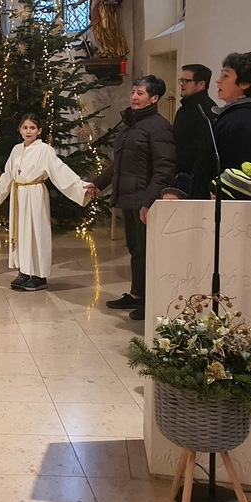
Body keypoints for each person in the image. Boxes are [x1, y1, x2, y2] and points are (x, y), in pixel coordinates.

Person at [91, 75, 176, 321]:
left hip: (144, 201)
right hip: (129, 198)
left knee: (148, 252)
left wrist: (149, 202)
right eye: (133, 92)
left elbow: (164, 168)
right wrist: (98, 183)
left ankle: (152, 301)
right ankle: (137, 294)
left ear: (154, 98)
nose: (134, 97)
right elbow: (119, 164)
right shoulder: (131, 124)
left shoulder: (158, 127)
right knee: (136, 250)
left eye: (140, 93)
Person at [0, 113, 95, 291]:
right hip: (19, 195)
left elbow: (60, 170)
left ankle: (39, 276)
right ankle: (24, 271)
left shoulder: (44, 150)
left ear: (39, 131)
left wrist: (81, 187)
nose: (28, 131)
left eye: (32, 128)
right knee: (21, 232)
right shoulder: (16, 149)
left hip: (35, 194)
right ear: (20, 130)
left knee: (36, 232)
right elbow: (8, 174)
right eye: (25, 128)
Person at [191, 52, 251, 201]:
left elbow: (238, 181)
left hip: (226, 212)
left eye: (226, 75)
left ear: (245, 83)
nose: (218, 80)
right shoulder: (235, 117)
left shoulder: (246, 122)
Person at [172, 64, 217, 183]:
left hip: (195, 176)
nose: (182, 84)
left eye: (186, 81)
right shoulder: (184, 108)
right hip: (180, 171)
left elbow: (200, 146)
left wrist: (176, 163)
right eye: (181, 80)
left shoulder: (206, 110)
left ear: (201, 85)